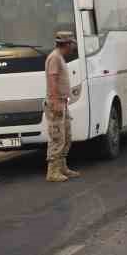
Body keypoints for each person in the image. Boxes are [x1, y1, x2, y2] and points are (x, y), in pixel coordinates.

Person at [44, 29, 82, 183]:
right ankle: (52, 171)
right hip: (56, 104)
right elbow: (52, 80)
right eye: (71, 44)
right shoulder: (54, 58)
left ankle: (62, 167)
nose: (73, 47)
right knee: (57, 137)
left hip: (61, 103)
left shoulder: (59, 57)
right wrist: (55, 101)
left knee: (66, 137)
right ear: (66, 44)